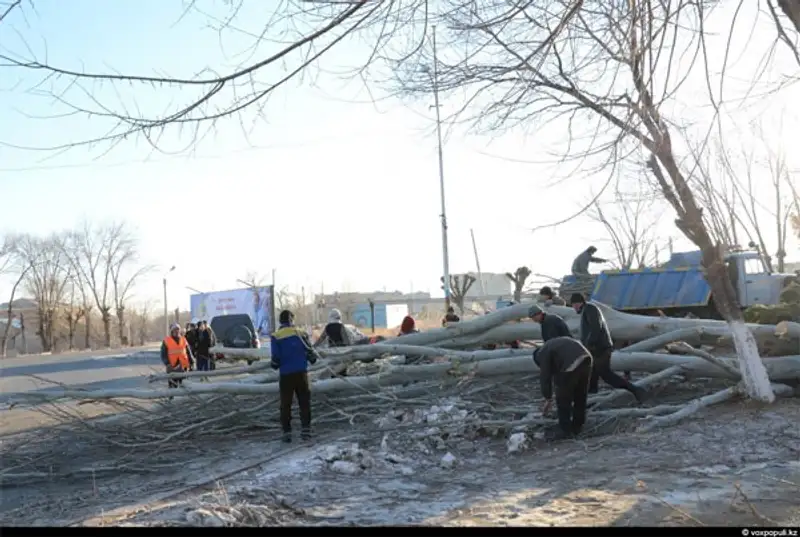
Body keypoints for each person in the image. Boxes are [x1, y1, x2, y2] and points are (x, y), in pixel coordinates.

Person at [569, 293, 646, 403]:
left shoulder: (590, 309)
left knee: (606, 375)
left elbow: (595, 328)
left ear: (577, 303)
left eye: (573, 305)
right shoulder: (587, 310)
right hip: (596, 349)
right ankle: (591, 397)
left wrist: (589, 345)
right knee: (592, 374)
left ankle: (635, 390)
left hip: (600, 349)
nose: (574, 308)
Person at [271, 309, 320, 443]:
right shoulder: (301, 333)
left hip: (286, 375)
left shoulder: (276, 336)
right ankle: (306, 431)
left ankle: (287, 433)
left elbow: (275, 360)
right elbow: (311, 354)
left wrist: (275, 364)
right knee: (304, 402)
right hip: (301, 373)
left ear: (280, 321)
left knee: (285, 404)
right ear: (292, 320)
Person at [532, 336, 593, 440]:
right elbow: (557, 373)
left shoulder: (543, 354)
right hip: (587, 358)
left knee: (563, 398)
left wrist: (548, 398)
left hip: (572, 361)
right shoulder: (553, 346)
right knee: (580, 395)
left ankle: (565, 429)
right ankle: (578, 425)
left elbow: (545, 376)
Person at [161, 323, 195, 391]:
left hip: (183, 366)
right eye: (175, 330)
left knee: (184, 386)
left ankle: (183, 397)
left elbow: (188, 352)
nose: (177, 331)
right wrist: (167, 363)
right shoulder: (166, 340)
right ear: (172, 331)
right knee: (172, 387)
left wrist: (192, 361)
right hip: (172, 367)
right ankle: (172, 396)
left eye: (178, 329)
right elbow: (163, 354)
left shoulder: (183, 339)